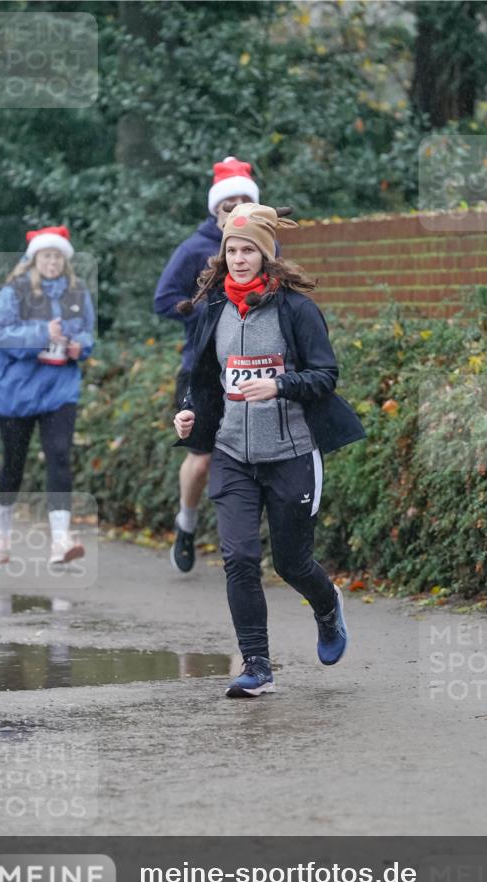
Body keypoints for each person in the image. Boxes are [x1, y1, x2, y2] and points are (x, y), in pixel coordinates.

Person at [174, 203, 365, 698]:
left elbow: (325, 376)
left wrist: (279, 385)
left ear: (266, 254)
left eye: (249, 250)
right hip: (233, 452)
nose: (239, 259)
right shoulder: (214, 308)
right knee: (238, 558)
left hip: (292, 452)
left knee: (292, 564)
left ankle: (326, 606)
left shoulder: (296, 310)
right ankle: (256, 665)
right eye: (232, 251)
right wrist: (188, 412)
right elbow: (199, 380)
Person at [154, 156, 260, 573]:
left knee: (249, 456)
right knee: (202, 459)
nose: (234, 209)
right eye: (227, 203)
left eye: (242, 201)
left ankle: (239, 543)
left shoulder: (265, 248)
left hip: (249, 367)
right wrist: (210, 312)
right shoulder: (194, 249)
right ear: (214, 210)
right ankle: (186, 522)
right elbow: (163, 300)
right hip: (200, 367)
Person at [0, 225, 95, 566]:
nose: (52, 262)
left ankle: (61, 540)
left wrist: (81, 347)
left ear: (65, 259)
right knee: (14, 463)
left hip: (59, 388)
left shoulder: (76, 291)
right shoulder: (16, 290)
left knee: (59, 455)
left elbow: (88, 332)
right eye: (47, 256)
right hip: (15, 390)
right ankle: (1, 534)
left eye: (58, 256)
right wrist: (41, 333)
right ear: (34, 260)